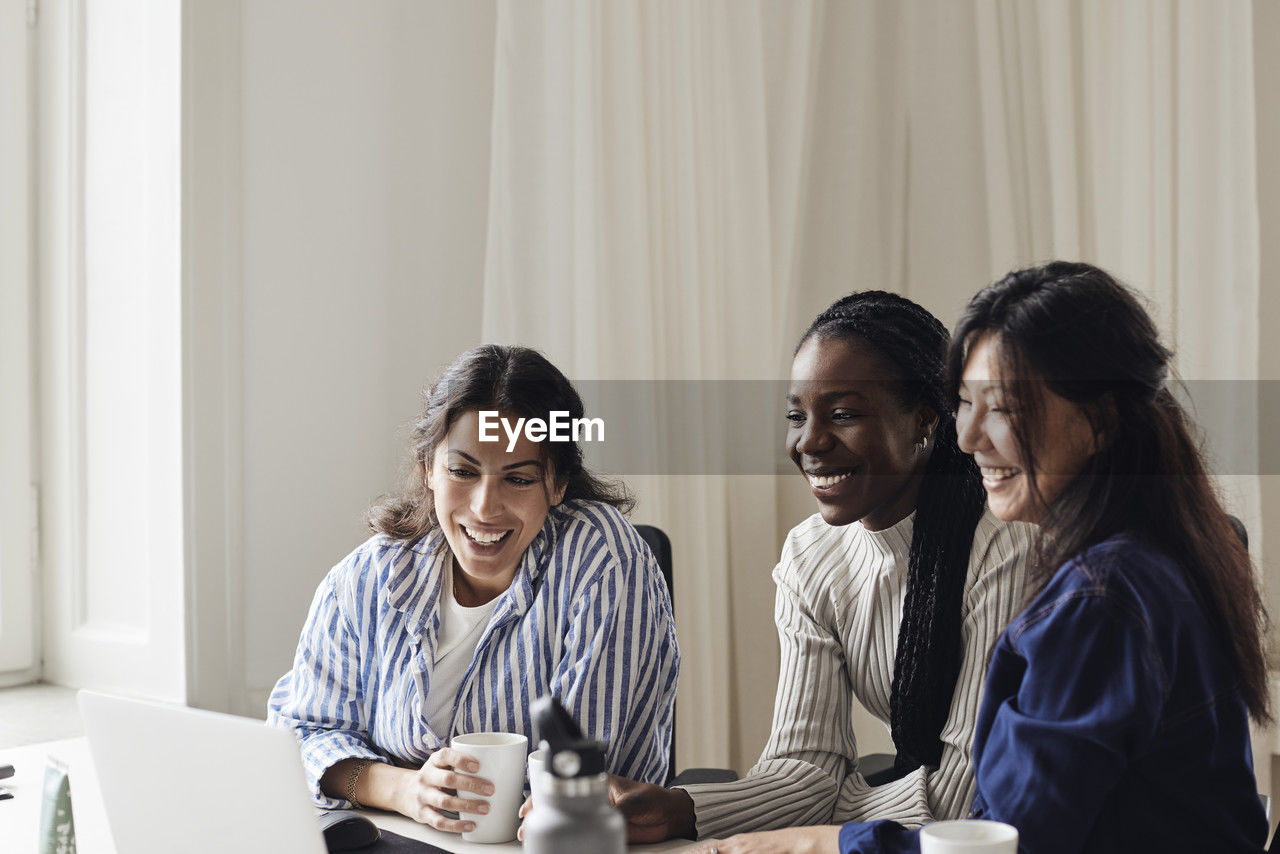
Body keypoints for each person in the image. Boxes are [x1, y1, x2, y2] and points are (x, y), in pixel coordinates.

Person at [715, 262, 1271, 853]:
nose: (968, 437)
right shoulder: (1133, 560)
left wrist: (824, 841)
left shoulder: (1099, 598)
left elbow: (1006, 841)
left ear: (1101, 419)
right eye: (964, 404)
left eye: (1001, 407)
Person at [606, 292, 1034, 845]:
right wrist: (676, 809)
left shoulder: (1003, 549)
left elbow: (964, 796)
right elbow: (805, 768)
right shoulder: (811, 556)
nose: (808, 441)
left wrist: (838, 804)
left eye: (843, 414)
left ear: (925, 422)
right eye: (795, 415)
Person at [268, 344, 680, 835]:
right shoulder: (368, 577)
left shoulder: (603, 560)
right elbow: (301, 734)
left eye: (519, 478)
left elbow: (582, 774)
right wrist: (402, 789)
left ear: (558, 483)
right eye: (462, 471)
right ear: (428, 470)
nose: (486, 507)